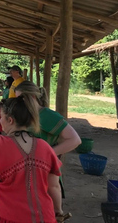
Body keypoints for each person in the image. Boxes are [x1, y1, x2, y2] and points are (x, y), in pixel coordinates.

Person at [15, 80, 81, 222]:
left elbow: (75, 140)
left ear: (32, 97)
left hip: (45, 170)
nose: (18, 103)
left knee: (48, 207)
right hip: (28, 170)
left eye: (20, 98)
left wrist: (49, 153)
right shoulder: (26, 116)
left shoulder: (48, 115)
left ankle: (58, 213)